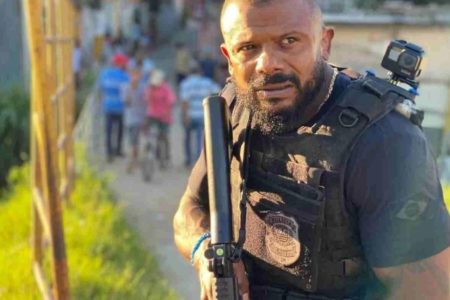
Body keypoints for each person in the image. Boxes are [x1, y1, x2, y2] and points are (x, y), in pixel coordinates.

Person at [173, 1, 450, 300]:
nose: (268, 64)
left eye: (289, 41)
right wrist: (204, 251)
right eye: (248, 47)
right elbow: (190, 210)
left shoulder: (384, 143)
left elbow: (427, 291)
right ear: (229, 58)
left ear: (324, 43)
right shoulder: (234, 109)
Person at [179, 60, 220, 167]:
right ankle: (199, 161)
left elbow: (184, 101)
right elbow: (217, 91)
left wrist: (184, 115)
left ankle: (188, 159)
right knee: (200, 138)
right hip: (203, 114)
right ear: (200, 72)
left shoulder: (185, 83)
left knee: (187, 137)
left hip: (190, 114)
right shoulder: (207, 82)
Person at [98, 53, 130, 162]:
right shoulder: (125, 76)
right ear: (120, 64)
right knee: (120, 129)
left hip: (107, 106)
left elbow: (100, 89)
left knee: (109, 130)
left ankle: (109, 152)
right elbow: (126, 93)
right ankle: (118, 150)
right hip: (120, 107)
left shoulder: (104, 74)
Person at [145, 69, 176, 169]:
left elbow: (171, 101)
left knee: (164, 136)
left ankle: (166, 156)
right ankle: (151, 153)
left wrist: (166, 111)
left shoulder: (166, 89)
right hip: (152, 115)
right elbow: (146, 99)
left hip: (164, 117)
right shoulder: (150, 89)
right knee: (152, 136)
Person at [122, 65, 147, 173]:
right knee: (132, 141)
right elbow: (126, 102)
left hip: (140, 118)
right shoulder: (126, 87)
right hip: (130, 118)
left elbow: (147, 101)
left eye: (137, 75)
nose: (135, 77)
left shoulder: (144, 88)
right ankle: (134, 160)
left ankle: (134, 161)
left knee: (136, 141)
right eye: (133, 75)